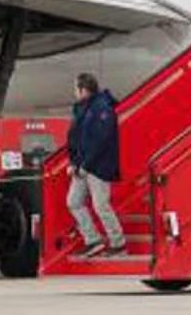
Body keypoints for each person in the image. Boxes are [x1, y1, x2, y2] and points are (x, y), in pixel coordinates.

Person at [65, 73, 125, 257]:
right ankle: (94, 240)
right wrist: (74, 163)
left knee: (101, 205)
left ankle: (118, 243)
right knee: (74, 202)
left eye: (76, 88)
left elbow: (101, 141)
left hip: (99, 166)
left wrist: (86, 165)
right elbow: (76, 139)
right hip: (82, 166)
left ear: (84, 90)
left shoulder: (102, 108)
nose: (74, 92)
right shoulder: (82, 108)